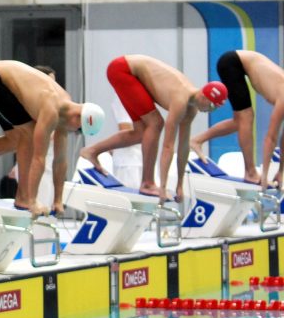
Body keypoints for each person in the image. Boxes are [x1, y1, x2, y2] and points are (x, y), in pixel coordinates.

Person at [0, 61, 105, 217]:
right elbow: (39, 158)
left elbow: (60, 161)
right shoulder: (52, 110)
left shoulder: (66, 112)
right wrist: (33, 201)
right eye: (79, 130)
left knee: (15, 139)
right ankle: (24, 198)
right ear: (77, 118)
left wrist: (58, 200)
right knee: (28, 134)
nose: (76, 134)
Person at [79, 55, 227, 203]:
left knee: (141, 133)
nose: (210, 111)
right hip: (123, 69)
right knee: (155, 123)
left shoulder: (191, 109)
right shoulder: (181, 100)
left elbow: (183, 147)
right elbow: (168, 147)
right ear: (204, 97)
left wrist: (180, 186)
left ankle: (92, 151)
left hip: (126, 70)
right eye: (212, 106)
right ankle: (148, 183)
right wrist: (163, 187)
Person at [189, 50, 284, 189]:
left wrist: (281, 172)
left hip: (242, 63)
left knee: (240, 122)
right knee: (246, 117)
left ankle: (197, 140)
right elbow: (271, 138)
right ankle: (250, 173)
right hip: (233, 62)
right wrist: (264, 176)